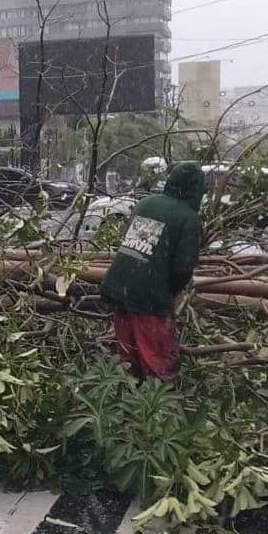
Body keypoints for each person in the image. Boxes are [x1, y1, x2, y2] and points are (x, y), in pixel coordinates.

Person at [100, 162, 205, 382]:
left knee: (128, 358)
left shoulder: (146, 203)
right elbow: (183, 267)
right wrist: (170, 294)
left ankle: (126, 396)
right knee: (158, 364)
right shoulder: (188, 218)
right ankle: (159, 402)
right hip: (148, 296)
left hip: (118, 286)